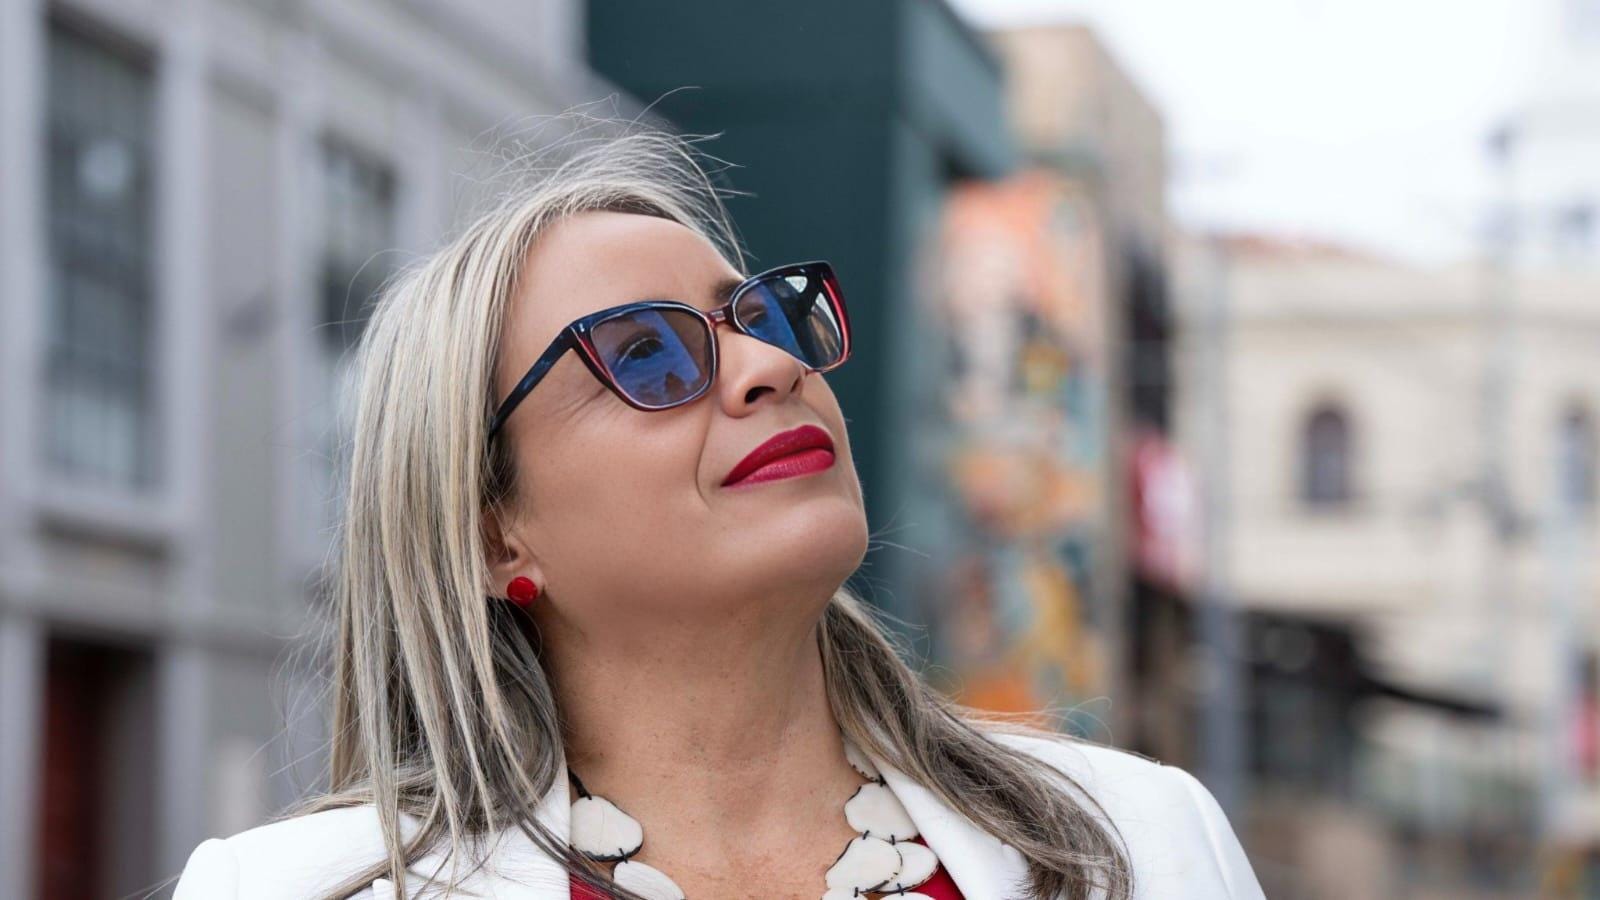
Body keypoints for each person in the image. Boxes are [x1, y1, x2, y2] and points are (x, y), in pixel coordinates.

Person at [172, 119, 1267, 900]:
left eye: (765, 319)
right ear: (492, 532)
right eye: (647, 355)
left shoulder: (1143, 843)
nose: (769, 366)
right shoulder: (277, 890)